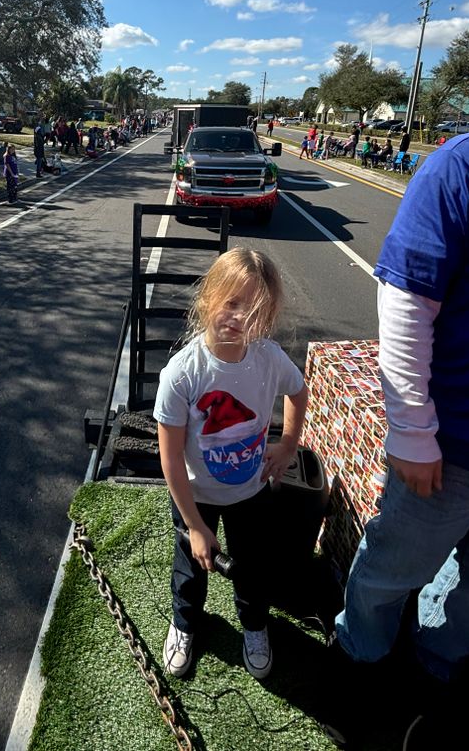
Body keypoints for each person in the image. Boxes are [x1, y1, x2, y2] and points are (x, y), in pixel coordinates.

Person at [334, 114, 469, 690]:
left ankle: (432, 665)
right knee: (390, 573)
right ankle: (359, 659)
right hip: (456, 451)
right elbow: (405, 298)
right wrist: (413, 432)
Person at [154, 248, 308, 679]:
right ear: (208, 299)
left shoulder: (268, 358)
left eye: (254, 309)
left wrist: (289, 443)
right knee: (190, 566)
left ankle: (255, 626)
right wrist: (195, 526)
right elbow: (169, 458)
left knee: (252, 567)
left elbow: (297, 391)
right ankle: (184, 622)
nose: (239, 317)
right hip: (196, 497)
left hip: (251, 491)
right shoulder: (183, 375)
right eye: (232, 302)